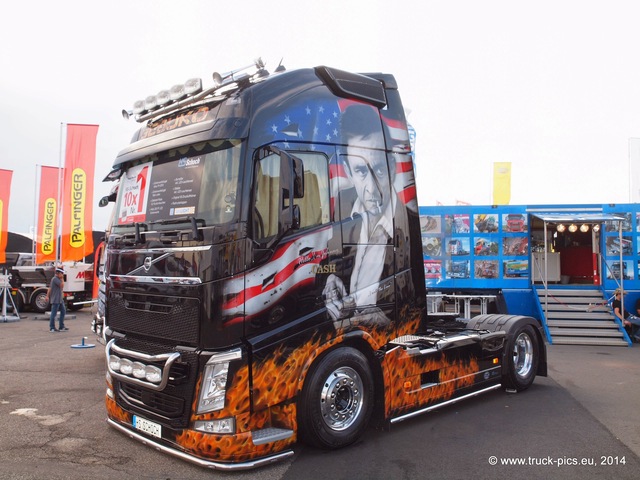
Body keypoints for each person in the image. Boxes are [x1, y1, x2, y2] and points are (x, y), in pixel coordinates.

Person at [322, 104, 413, 327]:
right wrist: (329, 280)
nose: (371, 188)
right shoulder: (341, 207)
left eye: (379, 170)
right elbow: (328, 263)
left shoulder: (409, 225)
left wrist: (384, 324)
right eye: (361, 171)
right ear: (348, 171)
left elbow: (414, 311)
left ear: (392, 166)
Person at [45, 267, 68, 332]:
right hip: (56, 299)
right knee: (53, 313)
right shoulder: (55, 279)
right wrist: (62, 279)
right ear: (59, 273)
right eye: (62, 273)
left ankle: (61, 326)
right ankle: (52, 327)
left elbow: (50, 288)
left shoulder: (56, 279)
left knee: (63, 311)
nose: (62, 275)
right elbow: (62, 285)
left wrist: (47, 296)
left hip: (60, 299)